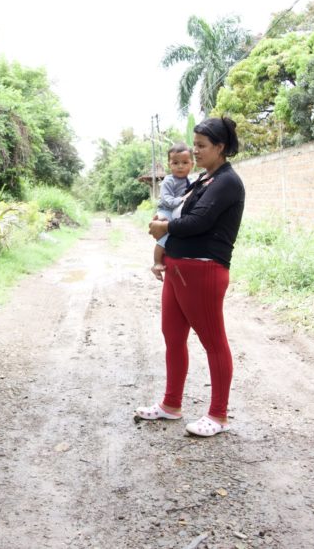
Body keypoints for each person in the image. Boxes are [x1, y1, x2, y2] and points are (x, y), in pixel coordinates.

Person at [135, 116, 245, 437]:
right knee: (172, 336)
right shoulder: (203, 180)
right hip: (178, 269)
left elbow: (199, 220)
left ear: (220, 147)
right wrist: (163, 224)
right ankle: (171, 405)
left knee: (213, 342)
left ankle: (218, 414)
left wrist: (164, 227)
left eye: (201, 146)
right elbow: (182, 210)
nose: (195, 151)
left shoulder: (228, 181)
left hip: (204, 270)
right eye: (194, 144)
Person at [151, 142, 195, 281]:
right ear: (169, 165)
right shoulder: (168, 181)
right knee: (164, 236)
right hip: (166, 211)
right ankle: (157, 262)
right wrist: (183, 199)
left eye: (184, 162)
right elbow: (167, 200)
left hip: (177, 212)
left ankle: (167, 258)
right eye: (175, 163)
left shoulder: (191, 180)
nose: (180, 166)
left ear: (192, 164)